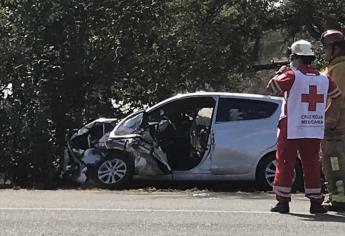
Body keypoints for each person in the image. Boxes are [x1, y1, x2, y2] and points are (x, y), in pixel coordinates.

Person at [267, 39, 342, 214]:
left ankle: (283, 202)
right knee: (312, 164)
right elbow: (337, 96)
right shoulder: (325, 78)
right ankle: (316, 203)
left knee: (285, 163)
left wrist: (281, 71)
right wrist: (327, 114)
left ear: (295, 57)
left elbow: (272, 87)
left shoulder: (291, 75)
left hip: (292, 127)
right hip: (314, 127)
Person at [320, 29, 345, 210]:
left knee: (335, 162)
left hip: (337, 128)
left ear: (335, 48)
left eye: (326, 47)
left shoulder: (340, 69)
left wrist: (330, 122)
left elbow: (338, 99)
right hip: (336, 126)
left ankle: (339, 199)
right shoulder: (333, 67)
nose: (324, 51)